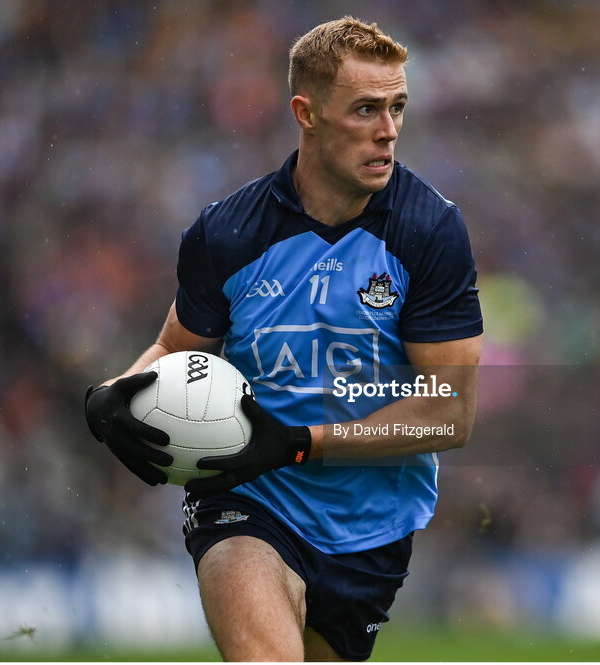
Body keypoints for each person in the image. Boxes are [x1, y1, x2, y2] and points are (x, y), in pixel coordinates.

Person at [84, 16, 482, 661]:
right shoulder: (227, 233)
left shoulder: (430, 232)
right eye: (366, 109)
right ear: (308, 112)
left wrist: (297, 444)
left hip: (369, 530)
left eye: (398, 107)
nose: (389, 130)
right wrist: (110, 396)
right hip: (245, 501)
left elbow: (450, 412)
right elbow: (175, 350)